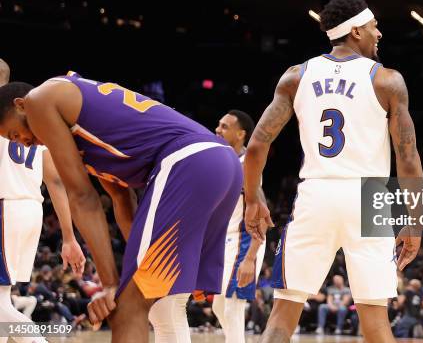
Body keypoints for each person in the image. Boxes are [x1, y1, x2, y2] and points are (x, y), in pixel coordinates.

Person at [0, 71, 243, 343]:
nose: (23, 141)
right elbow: (122, 199)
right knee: (163, 304)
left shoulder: (39, 100)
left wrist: (111, 286)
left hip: (188, 162)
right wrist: (130, 274)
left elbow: (83, 198)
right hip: (221, 165)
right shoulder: (86, 132)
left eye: (14, 133)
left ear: (20, 105)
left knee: (126, 310)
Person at [243, 0, 423, 342]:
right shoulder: (387, 81)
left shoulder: (296, 76)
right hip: (368, 198)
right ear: (356, 31)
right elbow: (409, 157)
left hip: (317, 193)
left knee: (282, 316)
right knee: (376, 323)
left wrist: (253, 198)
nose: (379, 33)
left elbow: (255, 146)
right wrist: (416, 222)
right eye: (374, 27)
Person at [0, 59, 85, 343]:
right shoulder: (34, 118)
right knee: (3, 302)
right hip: (31, 211)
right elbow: (55, 181)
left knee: (0, 308)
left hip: (5, 208)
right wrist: (69, 236)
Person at [211, 110, 265, 343]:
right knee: (218, 307)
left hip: (245, 240)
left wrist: (251, 257)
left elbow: (262, 213)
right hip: (226, 241)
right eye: (218, 125)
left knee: (233, 307)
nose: (217, 130)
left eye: (224, 127)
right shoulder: (222, 160)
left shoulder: (246, 165)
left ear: (241, 134)